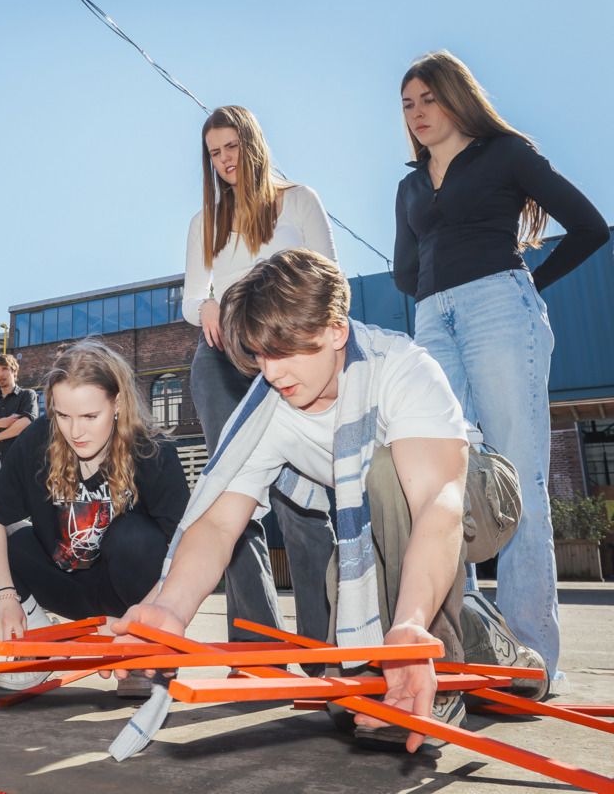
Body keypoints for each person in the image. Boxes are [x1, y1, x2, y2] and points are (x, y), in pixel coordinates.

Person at [112, 249, 547, 755]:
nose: (272, 373)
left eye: (288, 350)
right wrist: (170, 607)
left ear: (337, 330)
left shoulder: (400, 366)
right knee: (341, 690)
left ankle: (438, 653)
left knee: (384, 472)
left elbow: (437, 502)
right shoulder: (268, 411)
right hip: (383, 520)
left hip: (478, 492)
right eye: (261, 355)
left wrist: (408, 627)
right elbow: (217, 524)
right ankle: (475, 628)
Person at [394, 50, 607, 690]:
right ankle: (462, 649)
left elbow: (591, 226)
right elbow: (406, 272)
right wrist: (437, 272)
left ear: (456, 96)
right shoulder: (408, 185)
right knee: (442, 484)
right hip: (432, 321)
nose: (418, 113)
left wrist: (525, 285)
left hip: (499, 309)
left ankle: (532, 661)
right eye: (408, 105)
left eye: (428, 98)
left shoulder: (505, 154)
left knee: (516, 475)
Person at [0, 340, 189, 694]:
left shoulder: (152, 450)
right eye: (63, 415)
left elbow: (184, 551)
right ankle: (40, 642)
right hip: (65, 585)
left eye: (90, 416)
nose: (75, 431)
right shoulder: (37, 440)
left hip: (130, 596)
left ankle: (144, 648)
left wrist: (141, 620)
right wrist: (5, 596)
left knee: (135, 535)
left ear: (117, 404)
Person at [181, 105, 338, 644]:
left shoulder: (298, 201)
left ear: (253, 144)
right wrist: (202, 307)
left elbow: (331, 281)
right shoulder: (205, 222)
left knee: (301, 499)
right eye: (214, 153)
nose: (224, 160)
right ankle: (257, 646)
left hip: (288, 353)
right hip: (221, 361)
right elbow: (190, 298)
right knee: (231, 496)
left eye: (231, 147)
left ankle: (325, 652)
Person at [0, 354, 38, 462]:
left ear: (14, 372)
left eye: (5, 369)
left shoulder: (27, 395)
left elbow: (25, 423)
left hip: (19, 463)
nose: (1, 374)